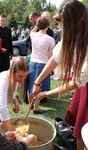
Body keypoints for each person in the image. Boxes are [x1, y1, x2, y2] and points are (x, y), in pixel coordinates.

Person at [33, 0, 88, 150]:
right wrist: (37, 82)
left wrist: (46, 93)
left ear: (78, 21)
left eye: (64, 24)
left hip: (85, 86)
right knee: (78, 132)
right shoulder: (71, 36)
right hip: (83, 86)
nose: (60, 28)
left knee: (85, 130)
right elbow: (56, 57)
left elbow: (77, 82)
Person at [0, 56, 29, 131]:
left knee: (3, 127)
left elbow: (8, 92)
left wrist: (14, 101)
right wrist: (12, 132)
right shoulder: (3, 80)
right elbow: (1, 108)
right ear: (12, 71)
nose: (23, 79)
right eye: (20, 76)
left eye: (25, 76)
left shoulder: (15, 78)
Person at [28, 16, 55, 114]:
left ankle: (31, 104)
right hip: (43, 64)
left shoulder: (33, 34)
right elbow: (50, 55)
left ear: (37, 25)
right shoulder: (50, 39)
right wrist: (51, 68)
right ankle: (36, 107)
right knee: (39, 87)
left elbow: (34, 30)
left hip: (33, 62)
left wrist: (37, 25)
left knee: (31, 84)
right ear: (47, 25)